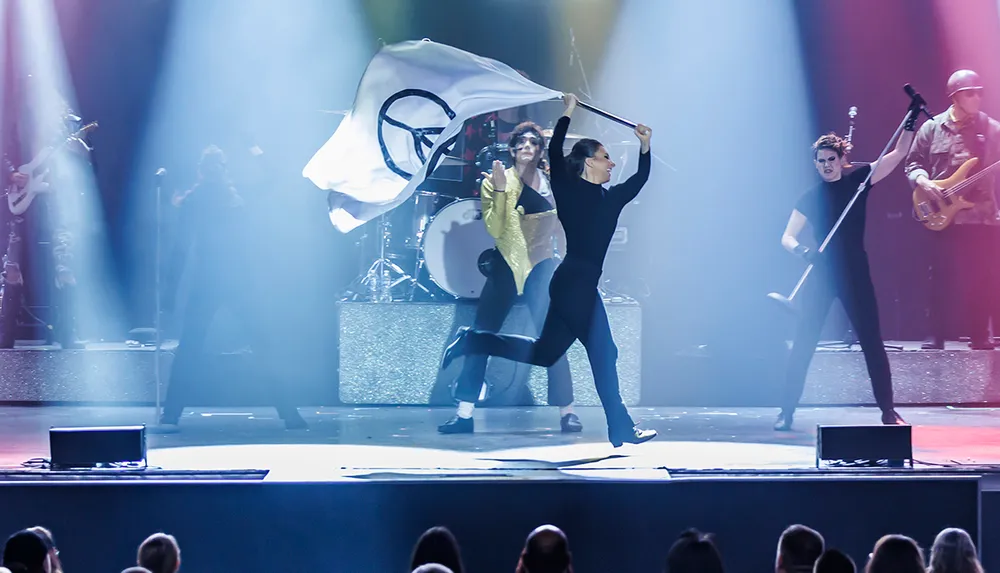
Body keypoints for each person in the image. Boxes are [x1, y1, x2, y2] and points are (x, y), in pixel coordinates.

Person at [441, 93, 656, 447]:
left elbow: (641, 178)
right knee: (605, 354)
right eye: (605, 158)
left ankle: (473, 339)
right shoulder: (568, 191)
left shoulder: (612, 197)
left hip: (578, 285)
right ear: (588, 162)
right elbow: (555, 150)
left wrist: (645, 146)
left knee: (545, 353)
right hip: (573, 285)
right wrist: (568, 112)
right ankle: (621, 428)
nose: (612, 163)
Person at [775, 99, 917, 431]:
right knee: (804, 342)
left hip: (855, 275)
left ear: (841, 159)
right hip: (822, 276)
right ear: (815, 163)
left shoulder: (859, 182)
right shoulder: (810, 197)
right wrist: (803, 252)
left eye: (831, 159)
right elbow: (786, 237)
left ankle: (887, 411)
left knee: (872, 341)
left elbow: (897, 155)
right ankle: (787, 411)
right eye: (820, 160)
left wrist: (909, 120)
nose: (826, 165)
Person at [438, 120, 579, 434]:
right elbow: (496, 229)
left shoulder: (554, 184)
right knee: (480, 335)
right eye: (521, 142)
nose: (527, 146)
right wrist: (500, 190)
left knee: (554, 339)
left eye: (533, 142)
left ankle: (567, 413)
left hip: (541, 266)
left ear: (541, 150)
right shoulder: (495, 181)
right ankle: (464, 414)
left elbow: (565, 229)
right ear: (512, 149)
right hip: (504, 266)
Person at [155, 145, 306, 431]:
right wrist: (257, 151)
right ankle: (290, 413)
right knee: (261, 345)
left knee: (194, 347)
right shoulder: (223, 199)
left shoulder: (215, 199)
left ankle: (172, 413)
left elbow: (180, 250)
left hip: (218, 280)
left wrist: (169, 296)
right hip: (231, 280)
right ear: (218, 169)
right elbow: (273, 177)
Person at [904, 69, 1000, 350]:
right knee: (939, 278)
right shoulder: (931, 128)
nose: (978, 97)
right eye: (971, 92)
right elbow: (913, 163)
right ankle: (935, 335)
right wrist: (923, 181)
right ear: (956, 97)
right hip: (940, 214)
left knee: (981, 278)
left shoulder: (992, 129)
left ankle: (980, 335)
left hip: (980, 217)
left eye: (980, 92)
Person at [0, 73, 88, 350]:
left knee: (64, 267)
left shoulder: (64, 126)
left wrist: (78, 148)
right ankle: (6, 336)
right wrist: (12, 174)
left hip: (53, 204)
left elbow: (83, 160)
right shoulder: (14, 125)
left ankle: (66, 334)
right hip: (23, 207)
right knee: (13, 269)